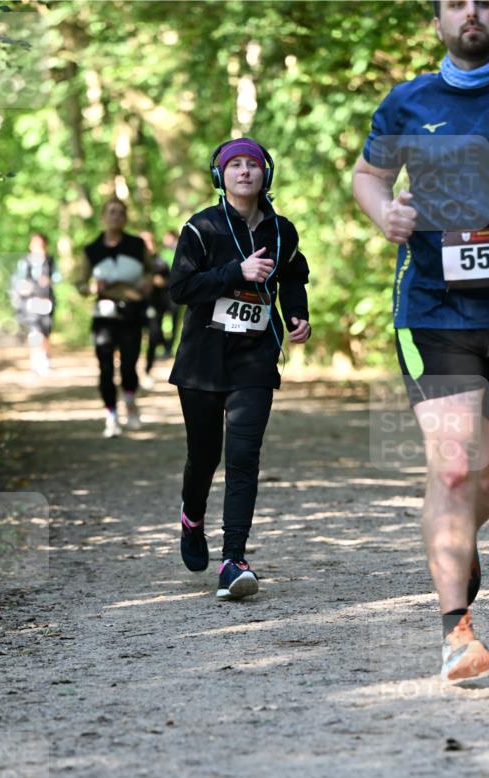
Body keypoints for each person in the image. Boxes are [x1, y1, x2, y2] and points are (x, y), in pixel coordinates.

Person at [352, 0, 489, 682]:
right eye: (454, 3)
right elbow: (367, 174)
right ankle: (455, 629)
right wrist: (385, 211)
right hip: (432, 309)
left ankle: (457, 536)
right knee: (449, 467)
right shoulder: (407, 101)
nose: (469, 12)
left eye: (483, 2)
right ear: (437, 19)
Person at [169, 137, 311, 600]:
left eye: (253, 165)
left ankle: (234, 560)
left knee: (244, 458)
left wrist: (296, 312)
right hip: (203, 363)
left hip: (254, 359)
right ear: (221, 176)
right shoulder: (201, 228)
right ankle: (192, 518)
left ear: (265, 174)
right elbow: (182, 287)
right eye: (236, 166)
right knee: (204, 456)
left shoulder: (281, 230)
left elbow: (292, 273)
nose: (245, 172)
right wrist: (236, 272)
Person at [78, 199, 152, 436]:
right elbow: (80, 284)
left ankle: (130, 402)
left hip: (132, 311)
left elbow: (153, 272)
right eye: (111, 212)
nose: (116, 217)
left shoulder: (137, 244)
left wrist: (146, 285)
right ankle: (111, 415)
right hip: (104, 316)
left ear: (126, 217)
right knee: (106, 368)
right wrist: (92, 288)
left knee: (129, 364)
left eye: (121, 213)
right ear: (103, 216)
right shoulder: (91, 249)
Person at [12, 233, 59, 375]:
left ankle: (44, 358)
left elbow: (57, 278)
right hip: (30, 302)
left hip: (47, 301)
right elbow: (18, 282)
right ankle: (36, 361)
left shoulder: (51, 261)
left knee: (45, 331)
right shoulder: (24, 262)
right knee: (34, 331)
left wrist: (49, 281)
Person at [138, 230, 172, 385]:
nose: (146, 245)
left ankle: (147, 370)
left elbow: (170, 282)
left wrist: (159, 282)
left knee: (154, 336)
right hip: (134, 307)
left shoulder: (159, 262)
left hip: (155, 306)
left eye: (149, 241)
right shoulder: (132, 261)